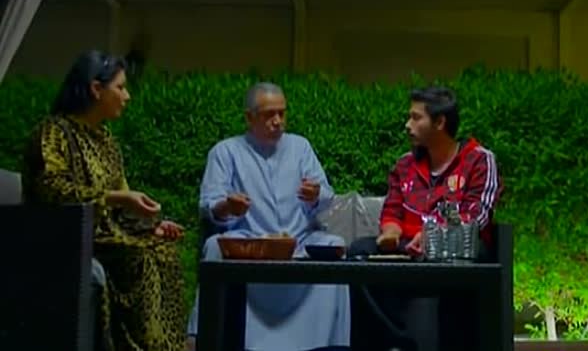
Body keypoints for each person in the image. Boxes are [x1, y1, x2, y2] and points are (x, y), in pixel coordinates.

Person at [22, 50, 187, 351]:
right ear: (97, 89)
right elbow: (52, 189)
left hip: (106, 239)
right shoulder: (54, 132)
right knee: (138, 258)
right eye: (121, 87)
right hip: (64, 237)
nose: (127, 96)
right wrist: (114, 197)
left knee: (164, 251)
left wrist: (152, 227)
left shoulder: (106, 141)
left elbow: (121, 210)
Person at [186, 82, 350, 351]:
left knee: (334, 245)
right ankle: (207, 336)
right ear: (249, 118)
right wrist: (228, 206)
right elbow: (209, 205)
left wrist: (315, 195)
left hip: (297, 241)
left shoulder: (300, 147)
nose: (278, 121)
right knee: (215, 245)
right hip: (250, 244)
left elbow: (325, 196)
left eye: (282, 113)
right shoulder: (226, 152)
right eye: (269, 115)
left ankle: (334, 344)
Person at [348, 86, 503, 351]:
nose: (407, 125)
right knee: (359, 252)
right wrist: (390, 232)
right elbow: (392, 209)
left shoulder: (478, 160)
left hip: (455, 249)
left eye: (416, 117)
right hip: (407, 247)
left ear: (440, 122)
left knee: (455, 256)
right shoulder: (404, 164)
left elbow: (476, 216)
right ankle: (395, 343)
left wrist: (432, 236)